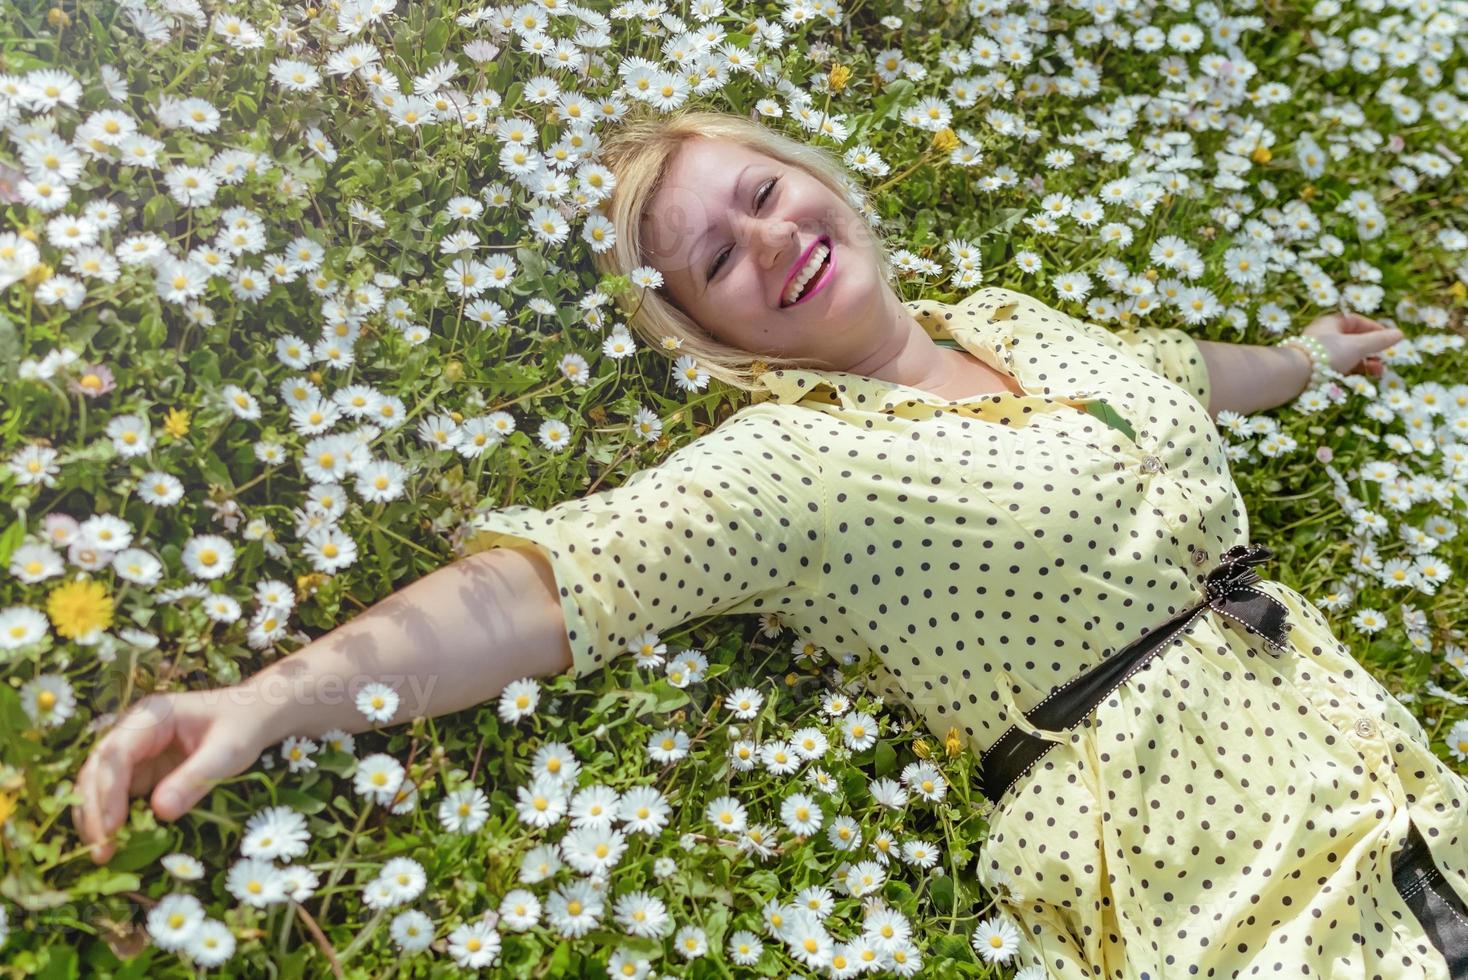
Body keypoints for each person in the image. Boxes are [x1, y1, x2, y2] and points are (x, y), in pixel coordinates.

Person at [73, 109, 1465, 977]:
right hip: (1201, 861)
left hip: (1377, 764)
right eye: (718, 262)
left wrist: (1307, 355)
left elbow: (1178, 373)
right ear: (710, 333)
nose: (769, 240)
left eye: (761, 195)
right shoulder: (791, 461)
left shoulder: (1023, 320)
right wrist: (269, 701)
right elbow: (544, 591)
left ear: (820, 180)